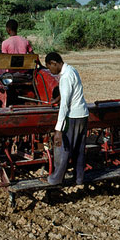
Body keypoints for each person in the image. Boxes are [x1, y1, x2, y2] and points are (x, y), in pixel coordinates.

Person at [43, 52, 89, 185]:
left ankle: (55, 179)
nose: (50, 71)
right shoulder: (72, 70)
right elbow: (73, 92)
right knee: (79, 150)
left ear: (54, 63)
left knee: (62, 149)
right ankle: (79, 178)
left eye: (49, 67)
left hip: (72, 117)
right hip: (83, 115)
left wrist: (58, 130)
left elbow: (64, 105)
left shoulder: (65, 77)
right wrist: (57, 98)